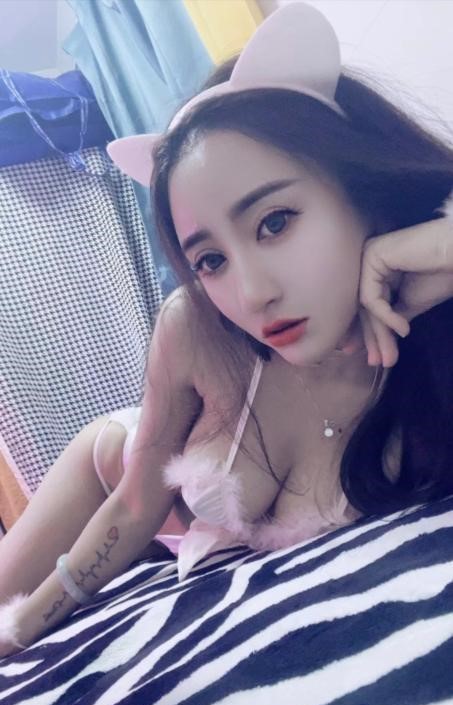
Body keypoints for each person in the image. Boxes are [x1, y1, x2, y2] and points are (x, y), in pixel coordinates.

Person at [1, 1, 453, 657]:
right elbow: (135, 504)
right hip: (122, 461)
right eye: (209, 260)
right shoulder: (194, 324)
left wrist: (439, 247)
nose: (252, 294)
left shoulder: (433, 314)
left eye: (274, 222)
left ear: (360, 188)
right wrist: (19, 628)